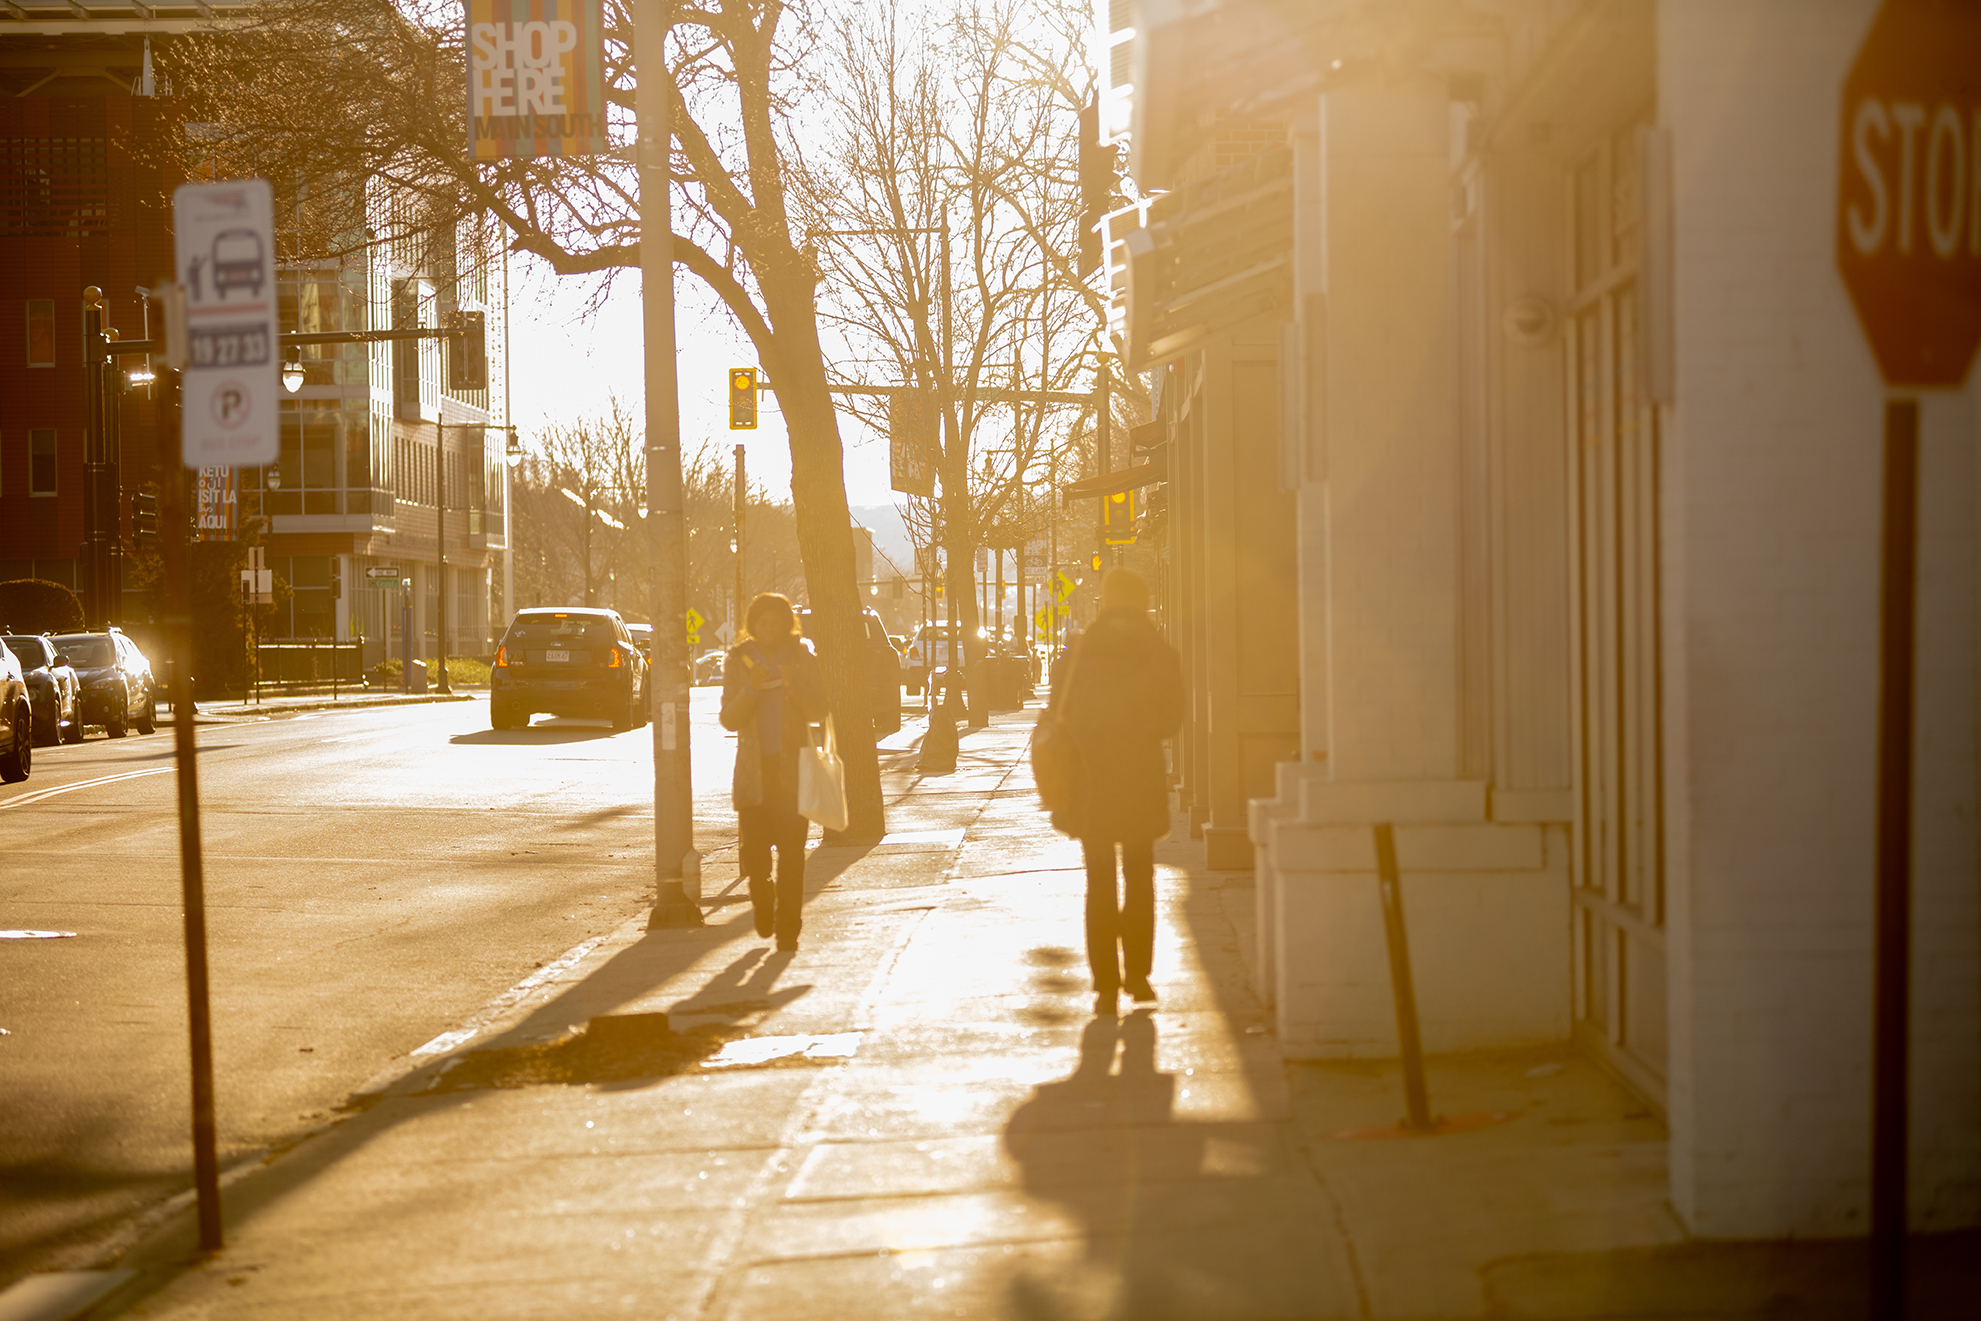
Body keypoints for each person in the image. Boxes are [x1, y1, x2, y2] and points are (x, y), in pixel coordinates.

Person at [1045, 569, 1184, 1016]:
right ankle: (1138, 976)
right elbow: (1172, 720)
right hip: (1140, 778)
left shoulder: (1077, 652)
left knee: (1099, 879)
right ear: (1142, 602)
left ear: (1104, 602)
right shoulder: (1160, 652)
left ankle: (1105, 984)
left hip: (1089, 780)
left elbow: (1056, 712)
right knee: (1140, 876)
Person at [720, 593, 829, 951]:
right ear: (752, 625)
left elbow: (818, 709)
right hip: (754, 774)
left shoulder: (800, 657)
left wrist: (792, 684)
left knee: (793, 855)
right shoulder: (739, 659)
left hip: (791, 772)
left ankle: (787, 931)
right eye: (762, 623)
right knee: (754, 853)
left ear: (787, 624)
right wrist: (751, 690)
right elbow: (729, 719)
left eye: (776, 622)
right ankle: (762, 899)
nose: (769, 630)